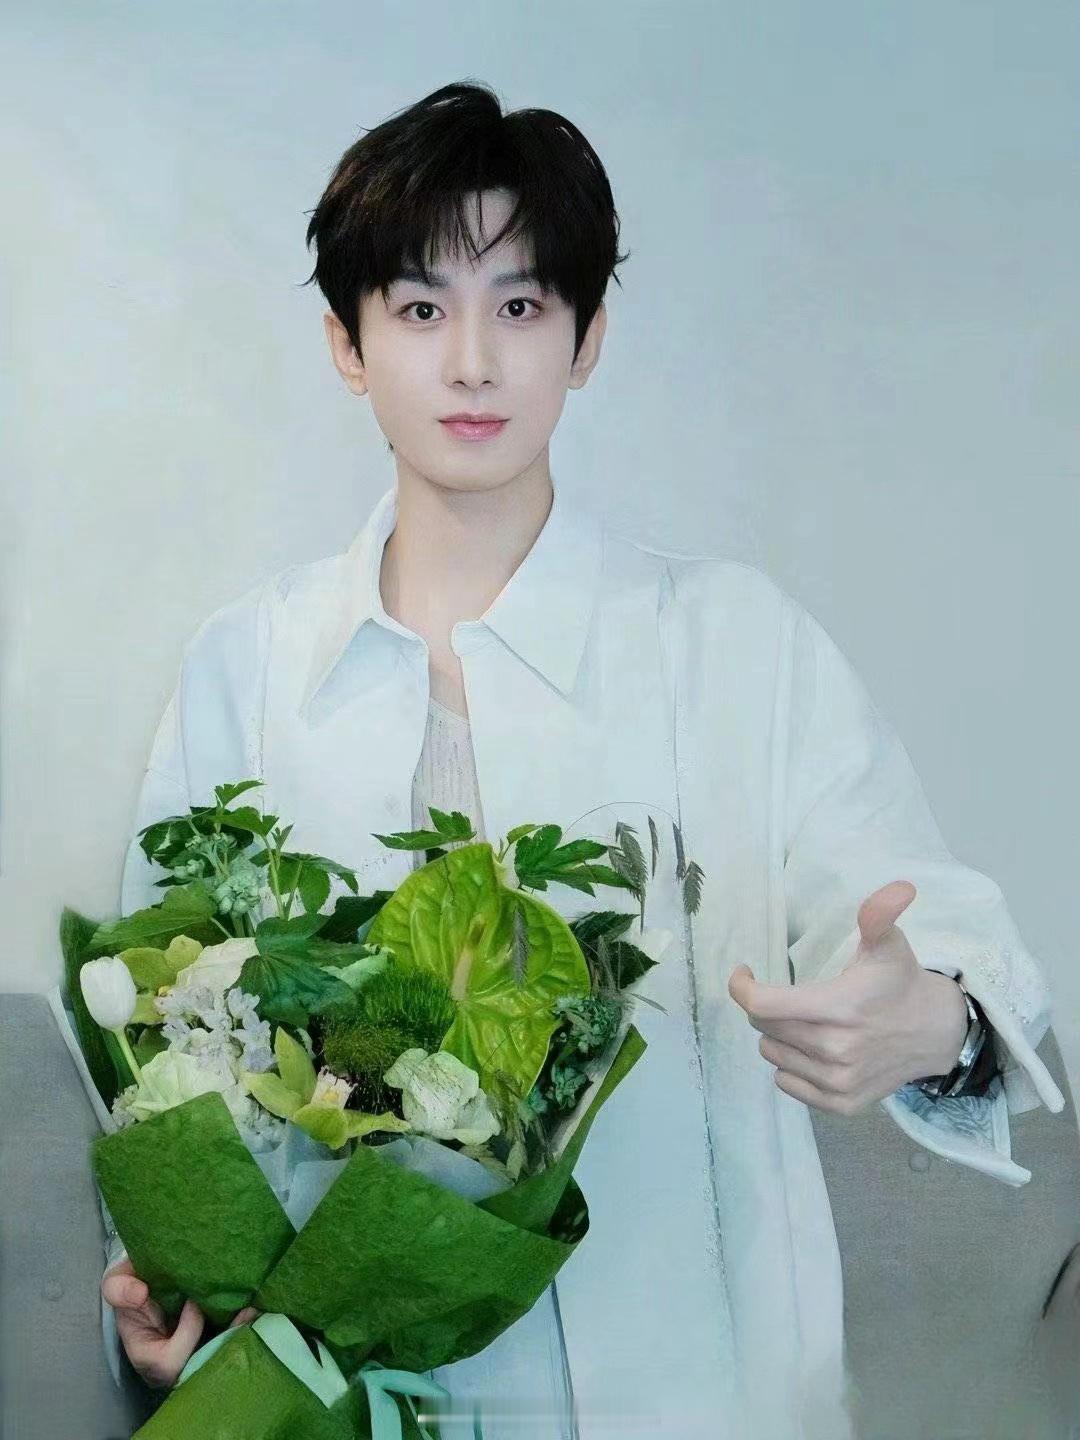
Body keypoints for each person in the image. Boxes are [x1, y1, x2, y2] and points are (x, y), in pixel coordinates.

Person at [104, 80, 1068, 1438]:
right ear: (346, 342)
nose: (473, 363)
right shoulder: (244, 669)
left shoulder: (732, 644)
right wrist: (179, 1294)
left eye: (521, 306)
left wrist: (936, 1024)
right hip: (353, 1398)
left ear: (588, 336)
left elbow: (926, 926)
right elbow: (168, 1041)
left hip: (697, 1395)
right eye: (421, 309)